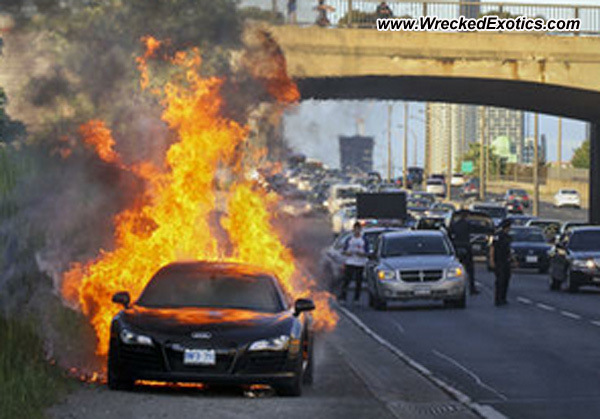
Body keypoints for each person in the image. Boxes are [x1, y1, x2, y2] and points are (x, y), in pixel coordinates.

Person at [449, 211, 479, 295]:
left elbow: (450, 234)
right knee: (470, 270)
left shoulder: (454, 225)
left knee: (456, 269)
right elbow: (476, 229)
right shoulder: (467, 225)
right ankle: (472, 288)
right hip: (466, 247)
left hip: (456, 248)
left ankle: (456, 287)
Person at [339, 222, 369, 303]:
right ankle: (343, 297)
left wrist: (362, 254)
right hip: (350, 262)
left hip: (360, 263)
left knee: (358, 282)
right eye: (355, 229)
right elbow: (343, 251)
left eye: (358, 229)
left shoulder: (363, 240)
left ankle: (356, 299)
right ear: (353, 230)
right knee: (347, 280)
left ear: (360, 230)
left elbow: (367, 252)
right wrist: (347, 253)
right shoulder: (349, 239)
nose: (357, 231)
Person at [490, 219, 512, 306]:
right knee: (500, 280)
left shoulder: (508, 237)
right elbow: (492, 248)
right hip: (499, 260)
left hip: (506, 260)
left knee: (506, 279)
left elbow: (509, 250)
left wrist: (512, 259)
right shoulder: (497, 236)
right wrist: (491, 260)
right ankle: (497, 299)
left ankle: (503, 298)